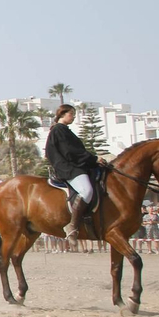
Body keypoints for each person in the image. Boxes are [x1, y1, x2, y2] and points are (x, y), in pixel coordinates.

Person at [45, 103, 99, 240]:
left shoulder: (65, 130)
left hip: (76, 165)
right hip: (68, 167)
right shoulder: (58, 130)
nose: (73, 117)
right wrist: (94, 159)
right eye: (71, 114)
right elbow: (71, 152)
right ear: (62, 114)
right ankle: (72, 225)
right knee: (86, 191)